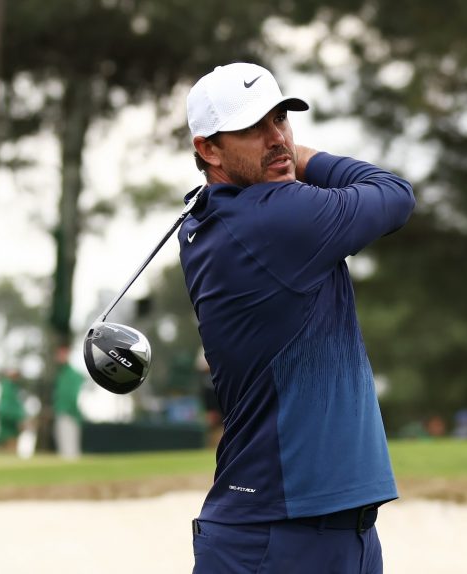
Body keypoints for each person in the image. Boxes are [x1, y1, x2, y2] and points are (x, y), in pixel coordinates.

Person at [179, 62, 414, 573]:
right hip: (276, 538)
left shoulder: (217, 220)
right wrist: (302, 158)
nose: (276, 138)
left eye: (281, 119)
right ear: (208, 149)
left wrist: (275, 156)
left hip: (331, 529)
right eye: (252, 128)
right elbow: (394, 194)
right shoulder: (273, 217)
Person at [52, 345, 85, 460]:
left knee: (70, 449)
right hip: (61, 412)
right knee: (63, 448)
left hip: (70, 414)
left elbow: (74, 396)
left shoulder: (73, 374)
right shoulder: (62, 373)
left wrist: (71, 410)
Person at [0, 369, 26, 450]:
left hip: (13, 430)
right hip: (8, 431)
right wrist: (19, 419)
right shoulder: (7, 387)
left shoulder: (13, 388)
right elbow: (4, 410)